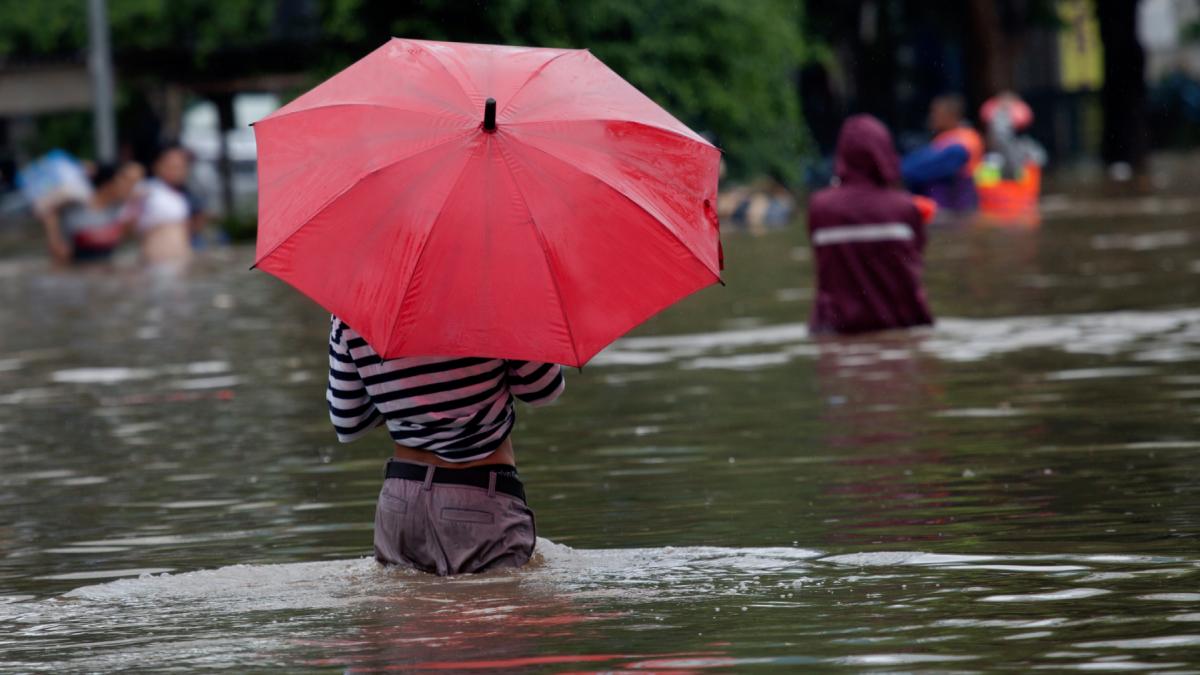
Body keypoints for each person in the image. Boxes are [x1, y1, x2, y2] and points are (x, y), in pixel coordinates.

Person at [326, 316, 565, 575]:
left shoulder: (354, 312)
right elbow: (544, 389)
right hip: (478, 493)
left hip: (400, 501)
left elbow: (348, 419)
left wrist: (403, 401)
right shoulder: (497, 299)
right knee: (495, 608)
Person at [808, 114, 935, 335]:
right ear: (884, 152)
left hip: (835, 333)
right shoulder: (904, 208)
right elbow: (916, 258)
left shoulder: (820, 208)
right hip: (901, 330)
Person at [36, 161, 144, 264]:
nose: (132, 187)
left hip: (104, 271)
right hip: (75, 272)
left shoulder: (119, 210)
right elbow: (60, 253)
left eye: (134, 183)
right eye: (127, 181)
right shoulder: (74, 207)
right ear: (109, 182)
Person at [900, 94, 984, 214]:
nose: (932, 116)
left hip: (956, 207)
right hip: (946, 207)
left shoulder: (963, 141)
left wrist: (895, 172)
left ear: (951, 116)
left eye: (936, 112)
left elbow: (924, 168)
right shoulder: (946, 136)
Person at [135, 145, 194, 266]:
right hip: (157, 259)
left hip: (180, 259)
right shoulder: (146, 190)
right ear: (158, 166)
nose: (178, 171)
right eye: (173, 166)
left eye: (181, 167)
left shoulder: (179, 195)